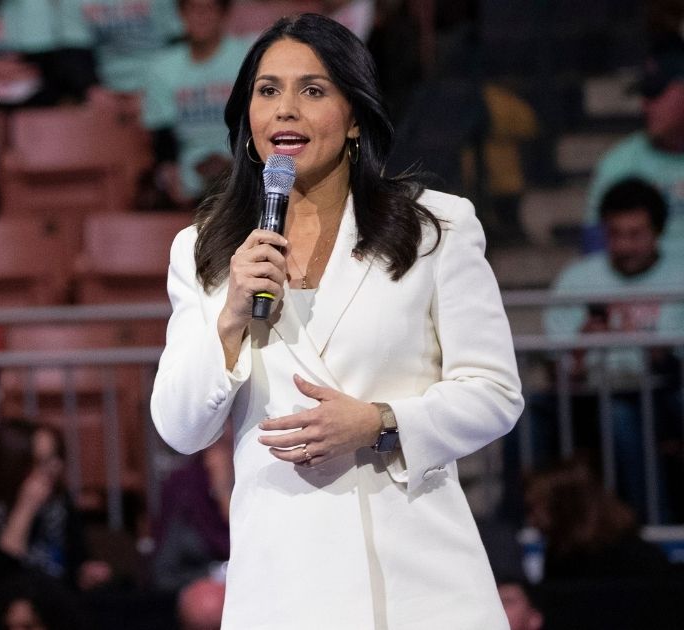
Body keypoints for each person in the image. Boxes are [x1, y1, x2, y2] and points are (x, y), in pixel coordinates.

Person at [150, 13, 524, 628]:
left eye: (313, 90)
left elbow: (495, 393)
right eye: (267, 91)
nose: (285, 110)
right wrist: (230, 318)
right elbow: (180, 428)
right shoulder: (205, 251)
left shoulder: (436, 226)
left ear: (354, 117)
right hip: (284, 582)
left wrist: (380, 422)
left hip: (418, 580)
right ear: (247, 119)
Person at [541, 178, 684, 520]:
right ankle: (516, 533)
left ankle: (653, 527)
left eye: (636, 234)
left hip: (664, 396)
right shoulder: (576, 279)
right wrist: (580, 349)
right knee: (527, 417)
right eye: (615, 234)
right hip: (586, 397)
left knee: (621, 416)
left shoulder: (679, 274)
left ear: (658, 232)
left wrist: (648, 347)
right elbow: (553, 367)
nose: (624, 245)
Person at [0, 419, 112, 595]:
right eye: (42, 461)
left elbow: (78, 560)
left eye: (57, 456)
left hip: (56, 604)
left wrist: (86, 573)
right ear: (14, 464)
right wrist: (26, 508)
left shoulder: (60, 502)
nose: (56, 467)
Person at [141, 0, 249, 208]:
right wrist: (171, 174)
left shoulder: (245, 57)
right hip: (187, 171)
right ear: (181, 15)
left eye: (208, 8)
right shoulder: (162, 67)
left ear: (223, 14)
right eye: (192, 9)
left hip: (241, 162)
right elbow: (162, 136)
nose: (200, 16)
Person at [582, 42, 684, 254]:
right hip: (642, 285)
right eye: (644, 94)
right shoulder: (618, 163)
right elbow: (596, 251)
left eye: (655, 93)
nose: (645, 104)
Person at [524, 459, 673, 581]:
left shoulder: (638, 560)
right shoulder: (558, 557)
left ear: (565, 507)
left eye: (535, 508)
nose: (531, 520)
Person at [150, 430, 231, 592]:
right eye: (218, 444)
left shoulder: (264, 482)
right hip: (198, 587)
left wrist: (225, 493)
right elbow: (165, 574)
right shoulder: (185, 488)